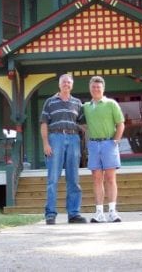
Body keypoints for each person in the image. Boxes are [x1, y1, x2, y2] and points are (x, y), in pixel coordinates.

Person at [40, 74, 87, 225]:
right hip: (56, 138)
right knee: (53, 178)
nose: (66, 84)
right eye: (64, 82)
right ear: (59, 85)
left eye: (69, 82)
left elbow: (83, 124)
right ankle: (50, 214)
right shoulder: (50, 102)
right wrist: (46, 144)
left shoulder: (77, 103)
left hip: (73, 139)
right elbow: (44, 124)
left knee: (73, 179)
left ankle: (73, 214)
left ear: (72, 85)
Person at [83, 76, 125, 223]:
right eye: (93, 87)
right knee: (96, 178)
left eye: (98, 87)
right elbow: (81, 123)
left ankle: (112, 211)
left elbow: (120, 124)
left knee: (110, 178)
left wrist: (116, 141)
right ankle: (99, 212)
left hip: (109, 144)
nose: (96, 89)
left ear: (103, 89)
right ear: (90, 88)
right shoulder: (86, 107)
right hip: (93, 145)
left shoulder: (111, 104)